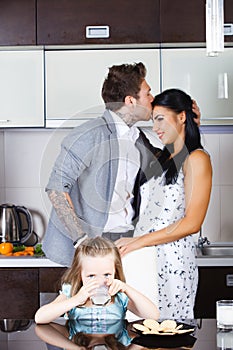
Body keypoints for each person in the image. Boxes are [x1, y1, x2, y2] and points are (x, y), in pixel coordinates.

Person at [42, 62, 201, 269]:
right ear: (130, 101)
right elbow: (56, 189)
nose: (153, 99)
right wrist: (82, 242)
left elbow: (171, 164)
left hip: (125, 243)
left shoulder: (138, 139)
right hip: (86, 247)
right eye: (148, 94)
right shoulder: (89, 135)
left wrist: (188, 126)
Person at [116, 88, 212, 319]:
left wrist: (138, 241)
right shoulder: (166, 159)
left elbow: (192, 223)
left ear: (181, 116)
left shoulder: (197, 159)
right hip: (145, 260)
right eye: (153, 120)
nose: (156, 127)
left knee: (168, 335)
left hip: (171, 264)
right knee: (140, 333)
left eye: (160, 119)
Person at [35, 236, 159, 325]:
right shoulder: (72, 292)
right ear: (79, 275)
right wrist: (76, 299)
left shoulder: (119, 296)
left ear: (115, 271)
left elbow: (153, 316)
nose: (100, 282)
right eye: (91, 276)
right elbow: (40, 318)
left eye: (106, 274)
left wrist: (126, 288)